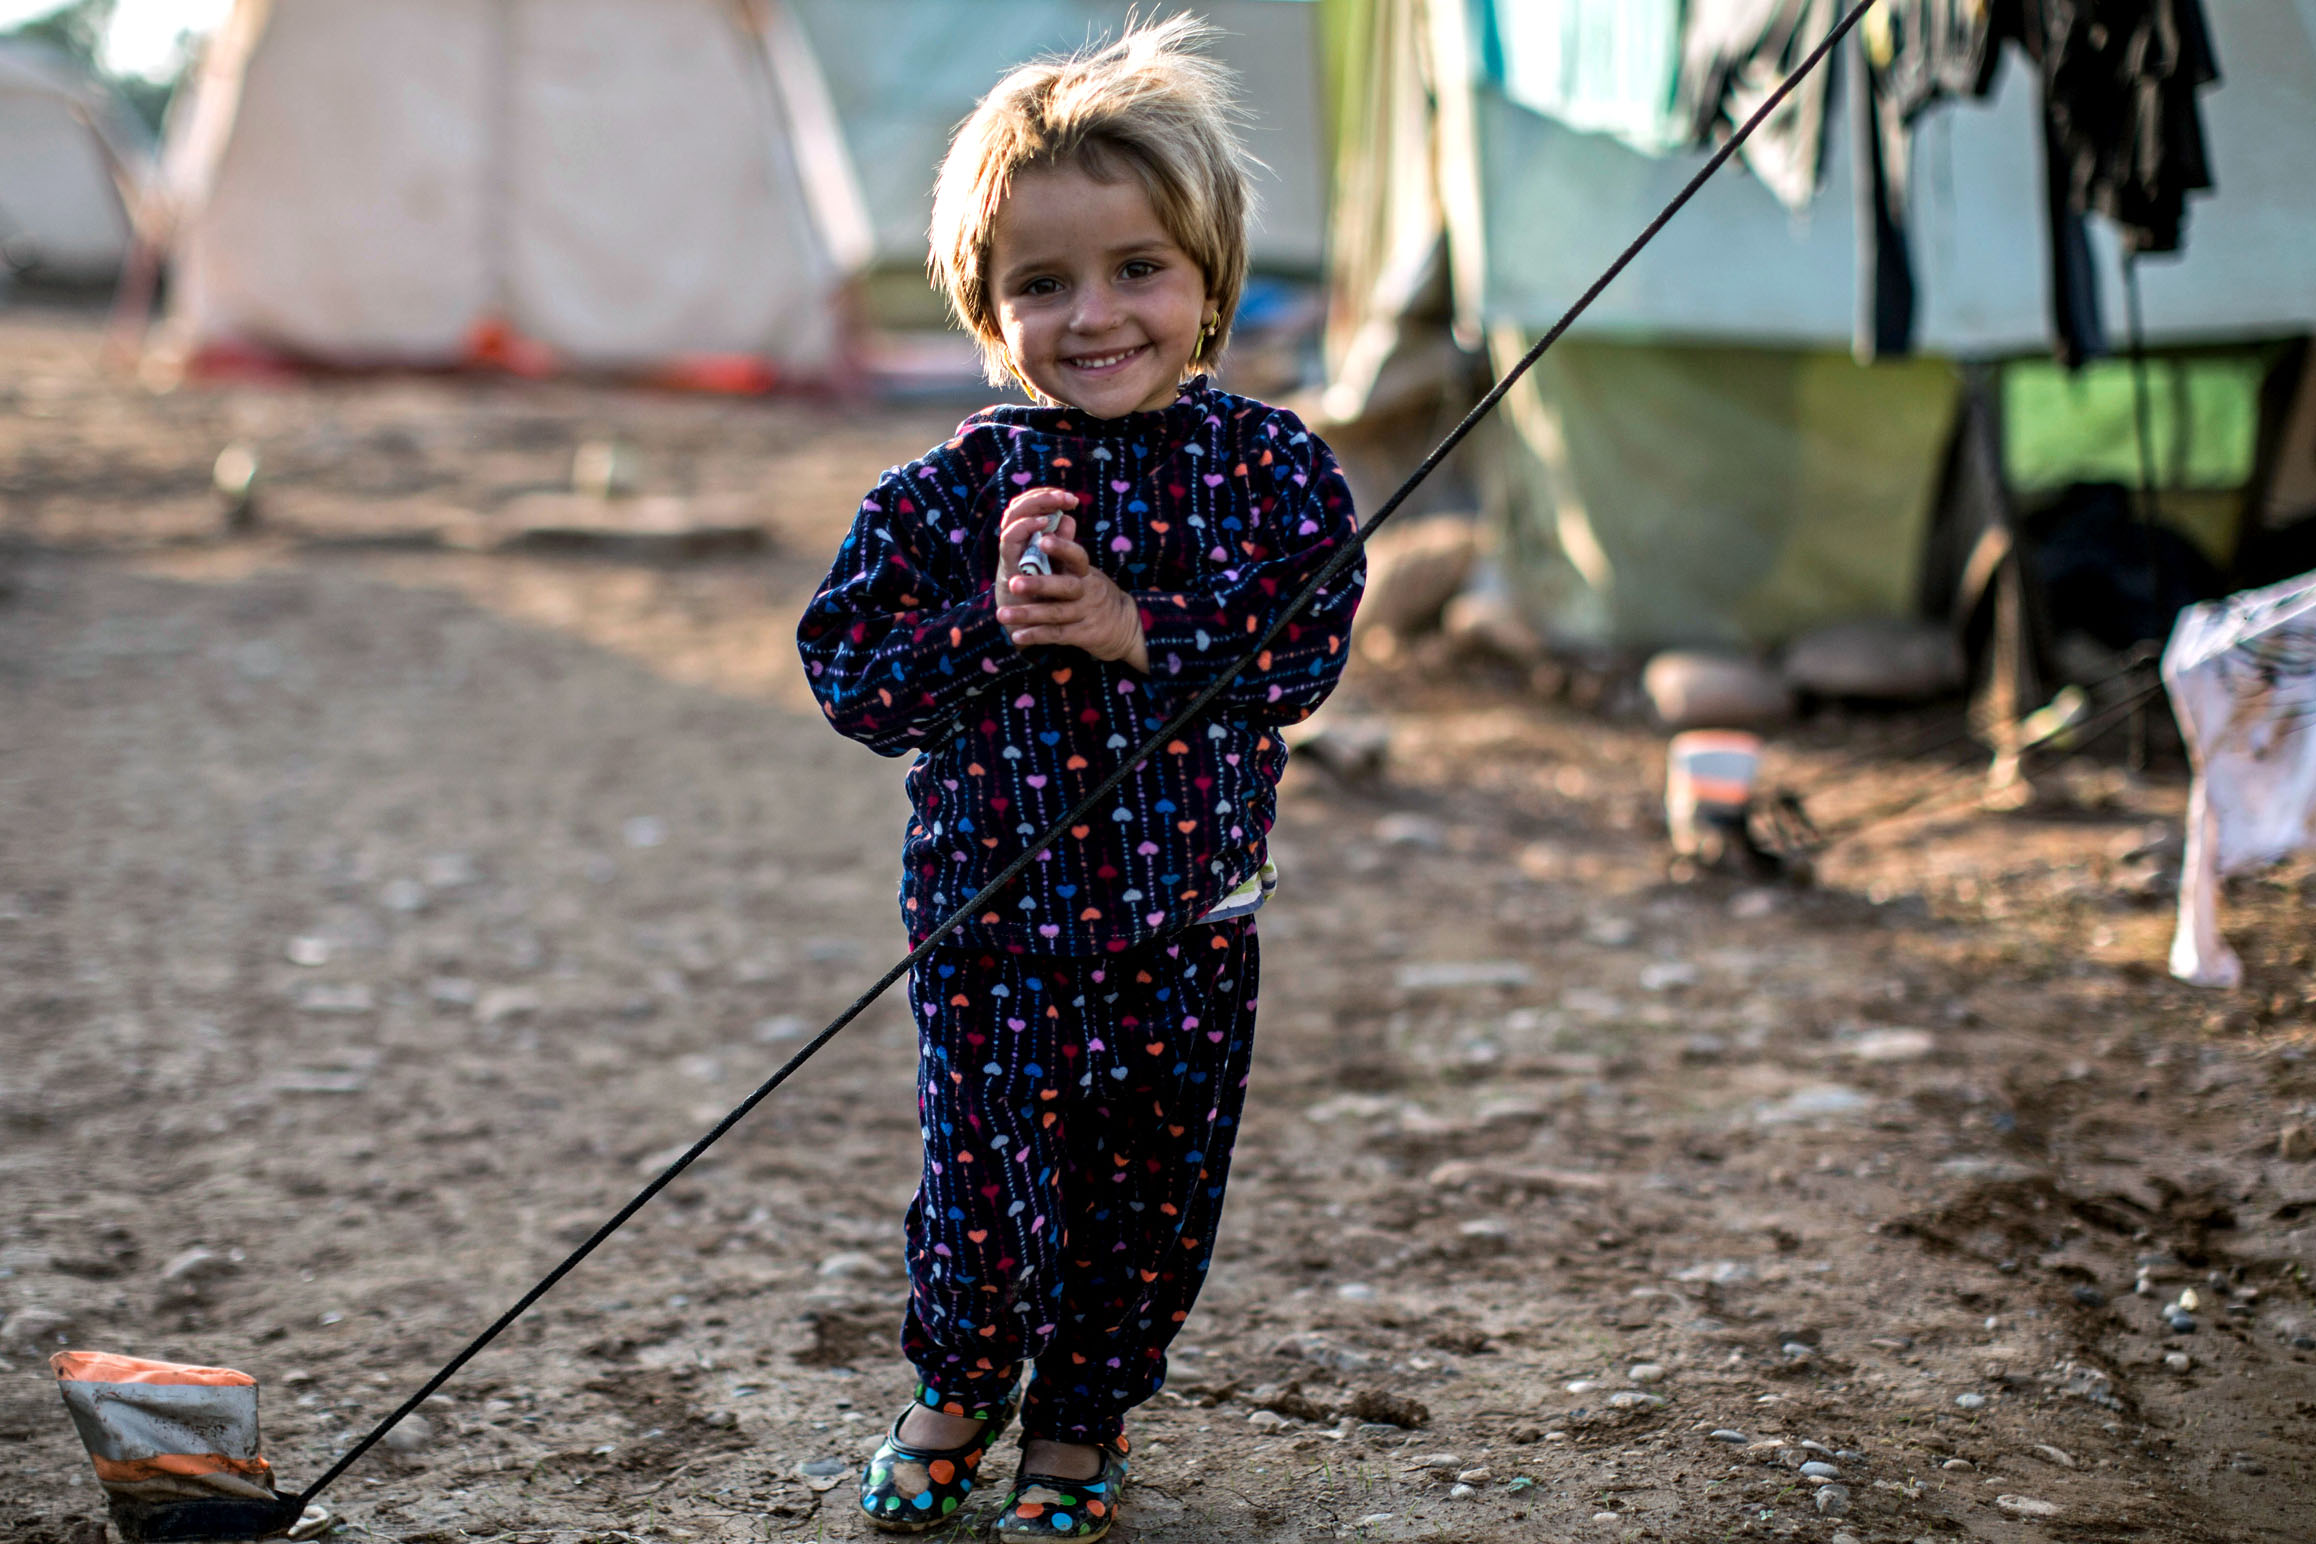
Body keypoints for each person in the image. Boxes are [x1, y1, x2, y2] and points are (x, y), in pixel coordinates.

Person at [795, 18, 1361, 1541]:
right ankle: (955, 1390)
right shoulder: (944, 495)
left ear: (1209, 282)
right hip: (993, 940)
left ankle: (1080, 1423)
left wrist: (1134, 628)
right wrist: (988, 624)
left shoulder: (1274, 471)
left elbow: (1300, 658)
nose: (1093, 314)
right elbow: (850, 674)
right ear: (988, 309)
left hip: (1191, 935)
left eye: (1137, 270)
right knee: (986, 1206)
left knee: (1149, 1206)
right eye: (1043, 284)